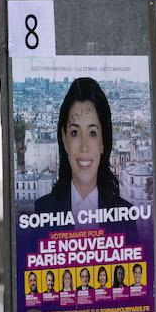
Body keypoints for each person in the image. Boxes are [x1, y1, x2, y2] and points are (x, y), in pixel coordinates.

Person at [34, 77, 131, 216]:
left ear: (103, 142)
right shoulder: (43, 211)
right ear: (64, 139)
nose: (84, 147)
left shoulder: (125, 215)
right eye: (75, 133)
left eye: (92, 133)